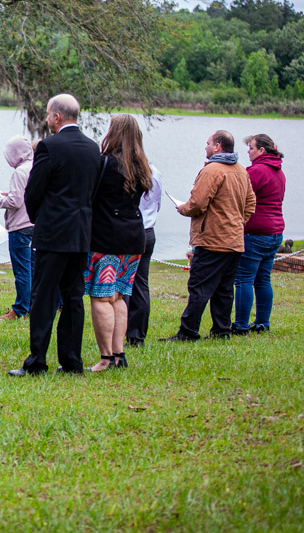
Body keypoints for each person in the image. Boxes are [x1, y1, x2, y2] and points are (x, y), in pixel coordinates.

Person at [9, 94, 101, 376]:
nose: (47, 120)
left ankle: (37, 361)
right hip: (81, 233)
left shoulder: (49, 146)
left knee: (44, 297)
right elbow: (93, 191)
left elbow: (33, 192)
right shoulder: (92, 147)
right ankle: (72, 362)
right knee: (73, 297)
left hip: (52, 233)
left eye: (48, 115)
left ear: (57, 116)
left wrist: (39, 220)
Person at [162, 130, 256, 342]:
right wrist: (239, 222)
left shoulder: (212, 170)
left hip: (212, 240)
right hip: (234, 241)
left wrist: (183, 208)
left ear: (218, 147)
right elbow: (251, 203)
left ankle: (188, 332)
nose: (205, 147)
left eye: (208, 143)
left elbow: (197, 203)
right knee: (224, 289)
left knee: (199, 287)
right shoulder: (241, 170)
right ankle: (221, 331)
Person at [83, 115, 152, 372]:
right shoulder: (142, 166)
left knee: (101, 298)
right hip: (134, 236)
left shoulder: (104, 164)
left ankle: (106, 357)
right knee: (120, 296)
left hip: (106, 238)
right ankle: (119, 354)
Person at [233, 134, 285, 333]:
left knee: (244, 279)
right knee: (263, 279)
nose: (248, 151)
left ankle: (241, 325)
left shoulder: (256, 171)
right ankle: (263, 322)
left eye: (251, 148)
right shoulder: (279, 171)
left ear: (262, 150)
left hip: (255, 232)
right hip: (275, 231)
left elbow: (240, 195)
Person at [0, 135, 35, 321]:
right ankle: (33, 304)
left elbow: (15, 202)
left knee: (22, 270)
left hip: (20, 226)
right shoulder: (36, 167)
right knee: (33, 268)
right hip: (34, 224)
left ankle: (20, 309)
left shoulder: (20, 172)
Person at [124, 162, 163, 346]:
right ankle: (137, 334)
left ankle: (121, 332)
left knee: (123, 283)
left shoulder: (127, 170)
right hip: (148, 231)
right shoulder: (155, 171)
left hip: (130, 229)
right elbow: (158, 203)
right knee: (141, 284)